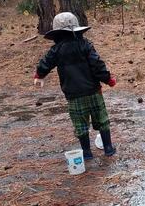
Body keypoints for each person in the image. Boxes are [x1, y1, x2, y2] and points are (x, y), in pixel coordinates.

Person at [33, 12, 117, 158]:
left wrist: (39, 75)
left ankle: (86, 152)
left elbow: (45, 63)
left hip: (74, 96)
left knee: (80, 125)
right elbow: (97, 65)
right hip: (94, 92)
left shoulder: (56, 50)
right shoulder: (85, 45)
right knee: (102, 120)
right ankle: (108, 148)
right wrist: (108, 79)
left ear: (57, 33)